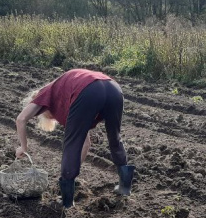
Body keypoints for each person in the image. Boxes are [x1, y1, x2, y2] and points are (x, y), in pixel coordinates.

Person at [15, 69, 134, 208]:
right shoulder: (65, 91)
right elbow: (85, 144)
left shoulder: (43, 95)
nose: (53, 117)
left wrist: (23, 147)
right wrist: (74, 169)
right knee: (115, 138)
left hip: (89, 90)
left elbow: (21, 119)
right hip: (113, 88)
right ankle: (125, 188)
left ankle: (66, 201)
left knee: (71, 144)